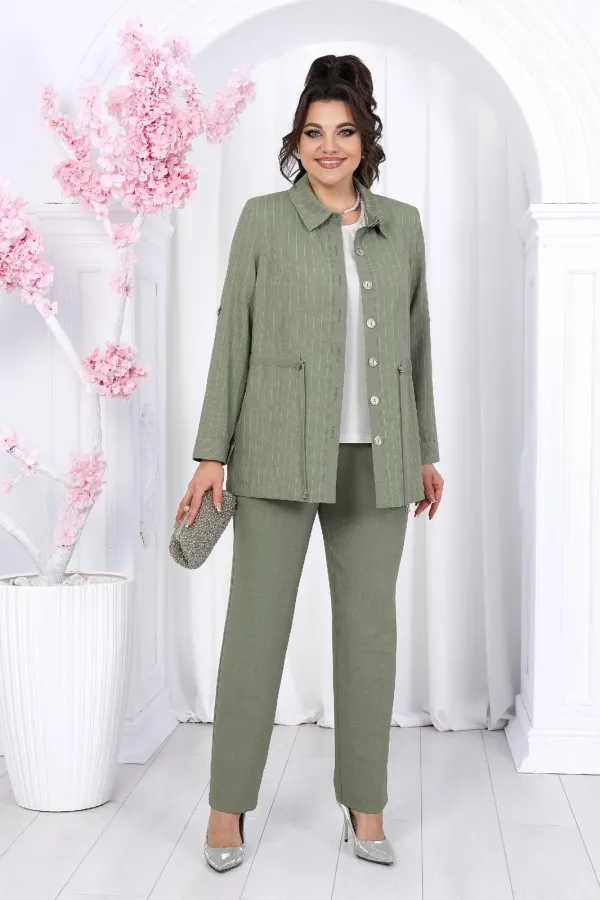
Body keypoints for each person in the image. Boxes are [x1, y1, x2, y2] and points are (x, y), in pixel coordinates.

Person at [175, 53, 444, 873]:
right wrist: (210, 452)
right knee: (255, 631)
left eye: (345, 132)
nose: (330, 147)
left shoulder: (402, 226)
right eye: (314, 132)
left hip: (380, 459)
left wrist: (427, 451)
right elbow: (233, 336)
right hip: (274, 452)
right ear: (296, 141)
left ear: (366, 142)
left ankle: (367, 805)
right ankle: (227, 807)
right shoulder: (263, 220)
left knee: (370, 635)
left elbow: (418, 346)